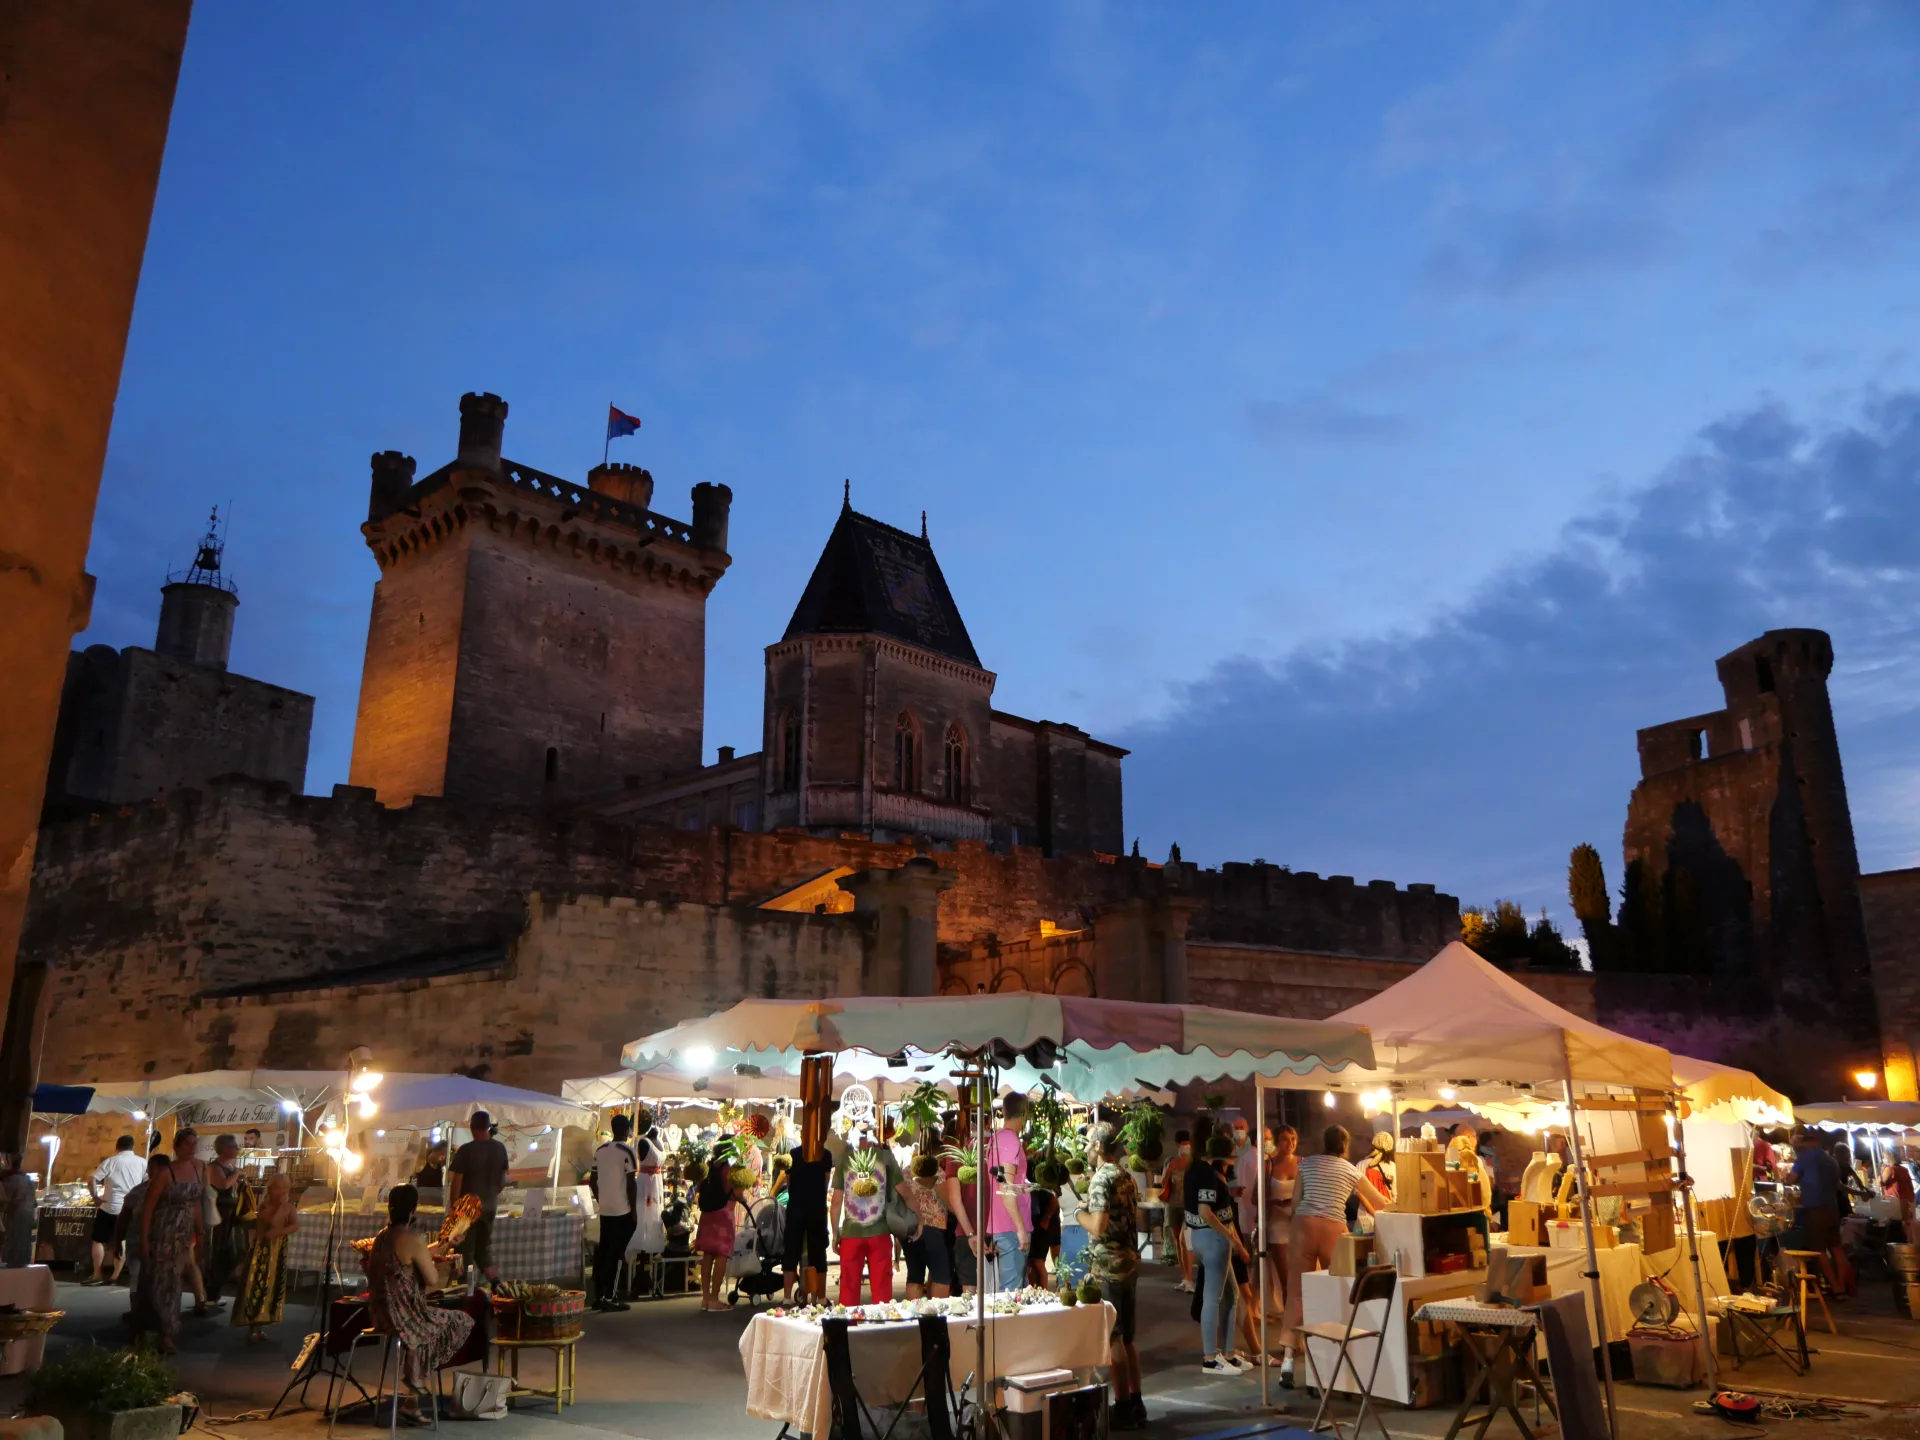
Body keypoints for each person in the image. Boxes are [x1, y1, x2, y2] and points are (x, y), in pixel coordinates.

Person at [1277, 1126, 1390, 1390]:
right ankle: (1331, 1363)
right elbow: (1380, 1201)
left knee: (1296, 1292)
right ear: (1345, 1146)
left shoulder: (1307, 1164)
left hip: (1303, 1226)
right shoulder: (1350, 1169)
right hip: (1333, 1228)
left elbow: (1295, 1203)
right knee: (1335, 1289)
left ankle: (1288, 1361)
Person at [367, 1185, 473, 1425]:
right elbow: (432, 1279)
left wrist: (445, 1242)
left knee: (426, 1330)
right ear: (414, 1211)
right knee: (456, 1320)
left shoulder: (382, 1236)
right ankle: (413, 1398)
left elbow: (413, 1254)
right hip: (405, 1316)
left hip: (380, 1314)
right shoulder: (412, 1238)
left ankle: (413, 1399)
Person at [1081, 1122, 1145, 1429]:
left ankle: (1121, 1406)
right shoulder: (1126, 1177)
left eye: (1087, 1144)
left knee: (1115, 1337)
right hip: (1130, 1261)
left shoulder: (1100, 1180)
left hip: (1109, 1266)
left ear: (1096, 1147)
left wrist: (1078, 1213)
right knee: (1129, 1337)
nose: (1084, 1149)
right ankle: (1137, 1401)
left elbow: (1098, 1226)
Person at [135, 1129, 209, 1353]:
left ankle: (163, 1330)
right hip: (164, 1232)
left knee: (175, 1282)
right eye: (188, 1144)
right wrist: (144, 1239)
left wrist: (200, 1230)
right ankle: (163, 1333)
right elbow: (148, 1206)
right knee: (163, 1283)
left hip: (184, 1234)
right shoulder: (166, 1173)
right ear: (177, 1146)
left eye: (194, 1144)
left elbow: (195, 1202)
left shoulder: (198, 1169)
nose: (192, 1148)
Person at [1184, 1128, 1246, 1374]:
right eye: (1230, 1155)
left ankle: (1228, 1353)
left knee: (1231, 1294)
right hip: (1214, 1240)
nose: (1233, 1159)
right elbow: (1205, 1211)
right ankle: (1211, 1357)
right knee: (1214, 1298)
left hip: (1202, 1238)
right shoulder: (1208, 1174)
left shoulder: (1195, 1170)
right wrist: (1233, 1239)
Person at [834, 1128, 904, 1305]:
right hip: (879, 1232)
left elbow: (836, 1202)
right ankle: (881, 1329)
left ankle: (847, 1329)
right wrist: (917, 1214)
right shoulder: (885, 1157)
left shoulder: (845, 1159)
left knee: (848, 1289)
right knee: (882, 1290)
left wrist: (835, 1234)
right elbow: (904, 1191)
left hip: (851, 1233)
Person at [232, 1172, 299, 1341]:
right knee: (258, 1283)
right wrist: (280, 1208)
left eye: (285, 1188)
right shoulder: (265, 1207)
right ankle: (253, 1323)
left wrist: (281, 1230)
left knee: (272, 1285)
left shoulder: (289, 1207)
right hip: (262, 1252)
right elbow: (272, 1222)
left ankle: (263, 1320)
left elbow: (295, 1225)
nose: (282, 1191)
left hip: (278, 1252)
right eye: (278, 1188)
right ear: (270, 1189)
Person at [447, 1111, 510, 1286]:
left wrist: (454, 1207)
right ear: (488, 1126)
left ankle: (466, 1291)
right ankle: (497, 1284)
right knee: (483, 1250)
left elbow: (457, 1182)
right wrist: (489, 1195)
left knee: (463, 1253)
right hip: (489, 1207)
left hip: (467, 1209)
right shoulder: (500, 1148)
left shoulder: (466, 1150)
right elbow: (503, 1181)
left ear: (471, 1127)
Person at [590, 1115, 639, 1311]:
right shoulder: (627, 1151)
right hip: (622, 1210)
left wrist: (601, 1199)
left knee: (604, 1252)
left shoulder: (600, 1151)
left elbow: (593, 1180)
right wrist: (633, 1210)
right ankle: (611, 1297)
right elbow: (631, 1183)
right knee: (618, 1253)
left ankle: (599, 1295)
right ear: (626, 1130)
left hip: (606, 1209)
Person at [88, 1135, 147, 1285]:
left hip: (109, 1206)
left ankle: (97, 1273)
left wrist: (95, 1196)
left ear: (117, 1146)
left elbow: (93, 1178)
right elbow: (147, 1183)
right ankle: (115, 1276)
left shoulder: (111, 1161)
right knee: (122, 1241)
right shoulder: (142, 1163)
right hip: (130, 1208)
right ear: (132, 1147)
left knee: (98, 1240)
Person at [694, 1144, 744, 1312]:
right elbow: (737, 1194)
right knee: (721, 1254)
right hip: (724, 1214)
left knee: (708, 1254)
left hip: (707, 1215)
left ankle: (705, 1298)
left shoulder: (709, 1167)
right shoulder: (729, 1170)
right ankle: (715, 1299)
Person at [782, 1142, 833, 1303]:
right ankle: (820, 1298)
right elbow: (826, 1183)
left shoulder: (793, 1154)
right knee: (818, 1253)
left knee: (791, 1252)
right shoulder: (825, 1154)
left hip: (796, 1207)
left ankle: (787, 1297)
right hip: (817, 1208)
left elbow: (789, 1183)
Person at [897, 1154, 952, 1299]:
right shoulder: (936, 1171)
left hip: (910, 1227)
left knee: (915, 1275)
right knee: (942, 1276)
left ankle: (914, 1316)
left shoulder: (905, 1172)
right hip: (932, 1226)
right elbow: (947, 1200)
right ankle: (937, 1316)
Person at [203, 1134, 247, 1303]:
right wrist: (237, 1174)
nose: (237, 1149)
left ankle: (216, 1290)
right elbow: (223, 1185)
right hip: (218, 1216)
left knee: (230, 1253)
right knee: (217, 1252)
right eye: (234, 1146)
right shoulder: (214, 1167)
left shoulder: (229, 1167)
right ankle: (210, 1292)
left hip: (230, 1215)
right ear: (225, 1148)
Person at [1263, 1126, 1299, 1324]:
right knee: (1288, 1281)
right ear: (1277, 1141)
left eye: (1293, 1139)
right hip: (1277, 1227)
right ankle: (1290, 1328)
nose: (1291, 1143)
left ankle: (1300, 1323)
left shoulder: (1302, 1163)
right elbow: (1255, 1197)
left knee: (1303, 1279)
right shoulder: (1268, 1165)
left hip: (1299, 1226)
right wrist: (1275, 1203)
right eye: (1285, 1139)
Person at [1160, 1131, 1195, 1292]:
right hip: (1173, 1205)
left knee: (1185, 1241)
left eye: (1188, 1143)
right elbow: (1162, 1182)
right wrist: (1170, 1169)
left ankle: (1189, 1278)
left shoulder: (1195, 1163)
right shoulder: (1171, 1161)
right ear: (1178, 1145)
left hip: (1189, 1206)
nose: (1186, 1147)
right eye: (1183, 1144)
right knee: (1177, 1241)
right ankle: (1184, 1277)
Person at [0, 1155, 36, 1268]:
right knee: (23, 1240)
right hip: (27, 1213)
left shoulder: (10, 1180)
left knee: (14, 1239)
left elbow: (4, 1199)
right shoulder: (26, 1179)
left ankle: (14, 1262)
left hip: (16, 1215)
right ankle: (21, 1262)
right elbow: (34, 1201)